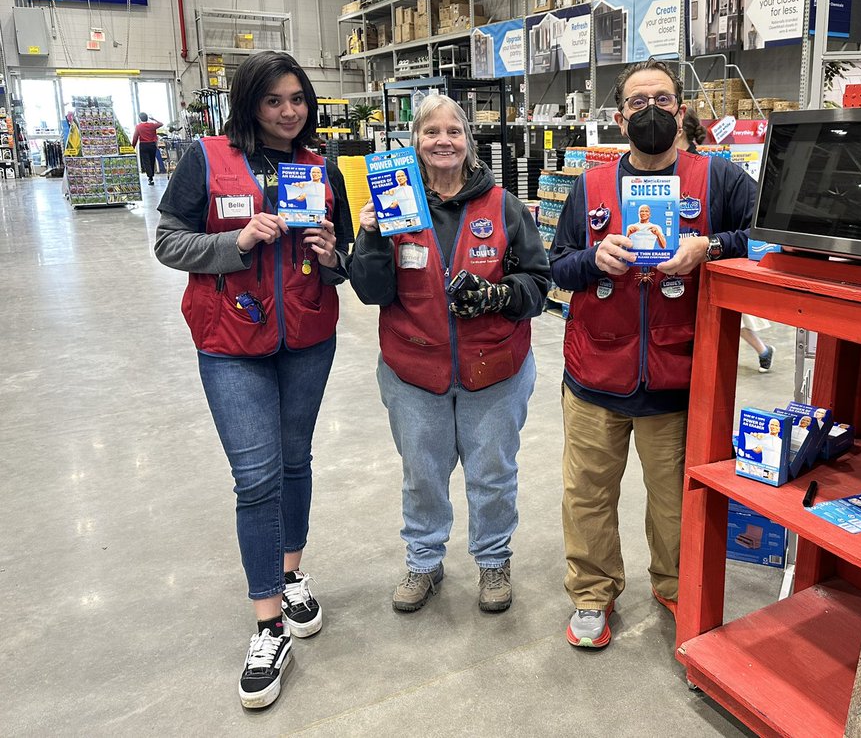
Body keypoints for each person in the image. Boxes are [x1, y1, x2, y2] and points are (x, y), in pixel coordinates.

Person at [154, 51, 353, 710]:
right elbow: (167, 240)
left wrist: (332, 258)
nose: (289, 111)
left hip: (307, 339)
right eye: (273, 101)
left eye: (298, 98)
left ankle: (290, 573)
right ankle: (269, 624)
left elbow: (343, 257)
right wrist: (234, 242)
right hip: (230, 342)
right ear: (250, 105)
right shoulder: (208, 158)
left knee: (295, 460)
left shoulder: (321, 167)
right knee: (256, 477)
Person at [550, 59, 757, 649]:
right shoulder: (590, 186)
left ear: (682, 109)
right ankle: (592, 595)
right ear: (619, 117)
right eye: (637, 103)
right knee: (587, 495)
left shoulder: (720, 181)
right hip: (596, 372)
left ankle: (674, 584)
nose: (650, 112)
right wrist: (594, 260)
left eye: (661, 100)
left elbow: (770, 235)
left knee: (674, 502)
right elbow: (556, 263)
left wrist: (710, 247)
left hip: (678, 374)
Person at [350, 94, 549, 617]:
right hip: (414, 370)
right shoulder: (394, 205)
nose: (443, 141)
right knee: (422, 473)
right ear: (414, 141)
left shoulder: (503, 205)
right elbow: (371, 292)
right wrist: (369, 236)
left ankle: (493, 561)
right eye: (431, 132)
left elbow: (539, 283)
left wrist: (500, 295)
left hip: (496, 369)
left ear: (468, 141)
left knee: (493, 473)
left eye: (454, 131)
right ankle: (423, 561)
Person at [675, 109, 774, 370]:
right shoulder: (632, 176)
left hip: (708, 296)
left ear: (679, 125)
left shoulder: (717, 173)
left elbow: (766, 224)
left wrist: (712, 244)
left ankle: (764, 350)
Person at [131, 112, 163, 185]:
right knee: (152, 161)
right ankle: (151, 176)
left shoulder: (138, 127)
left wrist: (132, 147)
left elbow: (135, 137)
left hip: (143, 145)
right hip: (152, 145)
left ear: (140, 118)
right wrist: (154, 119)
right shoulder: (152, 125)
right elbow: (161, 124)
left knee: (146, 162)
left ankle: (150, 177)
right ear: (147, 118)